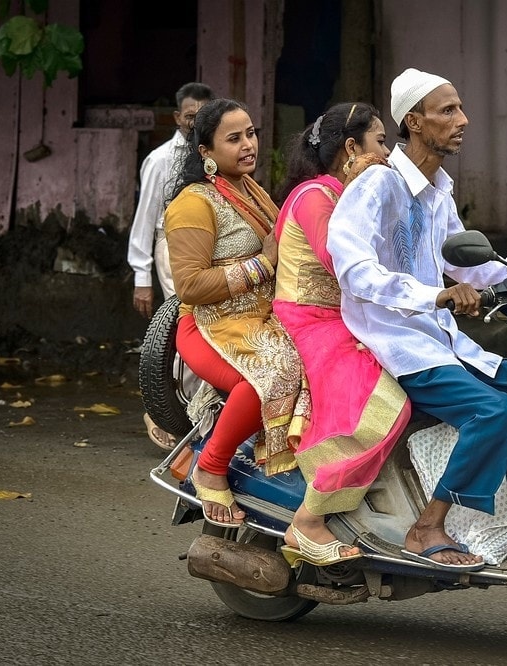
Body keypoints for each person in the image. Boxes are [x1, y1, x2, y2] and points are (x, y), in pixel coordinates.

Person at [327, 69, 507, 571]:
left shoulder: (437, 191)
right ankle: (427, 526)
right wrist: (436, 296)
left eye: (460, 108)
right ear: (414, 120)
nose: (462, 120)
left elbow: (467, 260)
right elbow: (355, 271)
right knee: (491, 412)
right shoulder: (377, 186)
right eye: (447, 111)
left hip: (442, 338)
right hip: (397, 342)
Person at [272, 102, 411, 565]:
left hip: (345, 317)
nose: (387, 153)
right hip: (311, 320)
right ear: (351, 148)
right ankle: (308, 520)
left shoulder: (345, 196)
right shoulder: (316, 196)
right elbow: (345, 265)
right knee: (386, 405)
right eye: (379, 142)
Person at [164, 98, 309, 527]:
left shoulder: (250, 188)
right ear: (205, 151)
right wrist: (263, 264)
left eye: (251, 134)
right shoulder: (193, 203)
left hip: (263, 318)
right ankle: (211, 465)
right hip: (210, 325)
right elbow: (189, 286)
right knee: (271, 373)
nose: (248, 145)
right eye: (234, 138)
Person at [127, 82, 214, 450]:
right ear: (178, 117)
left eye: (202, 117)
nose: (195, 124)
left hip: (209, 247)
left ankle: (195, 414)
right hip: (172, 247)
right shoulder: (161, 160)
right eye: (190, 117)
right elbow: (144, 221)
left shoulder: (211, 154)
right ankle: (173, 414)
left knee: (206, 325)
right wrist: (141, 277)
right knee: (187, 325)